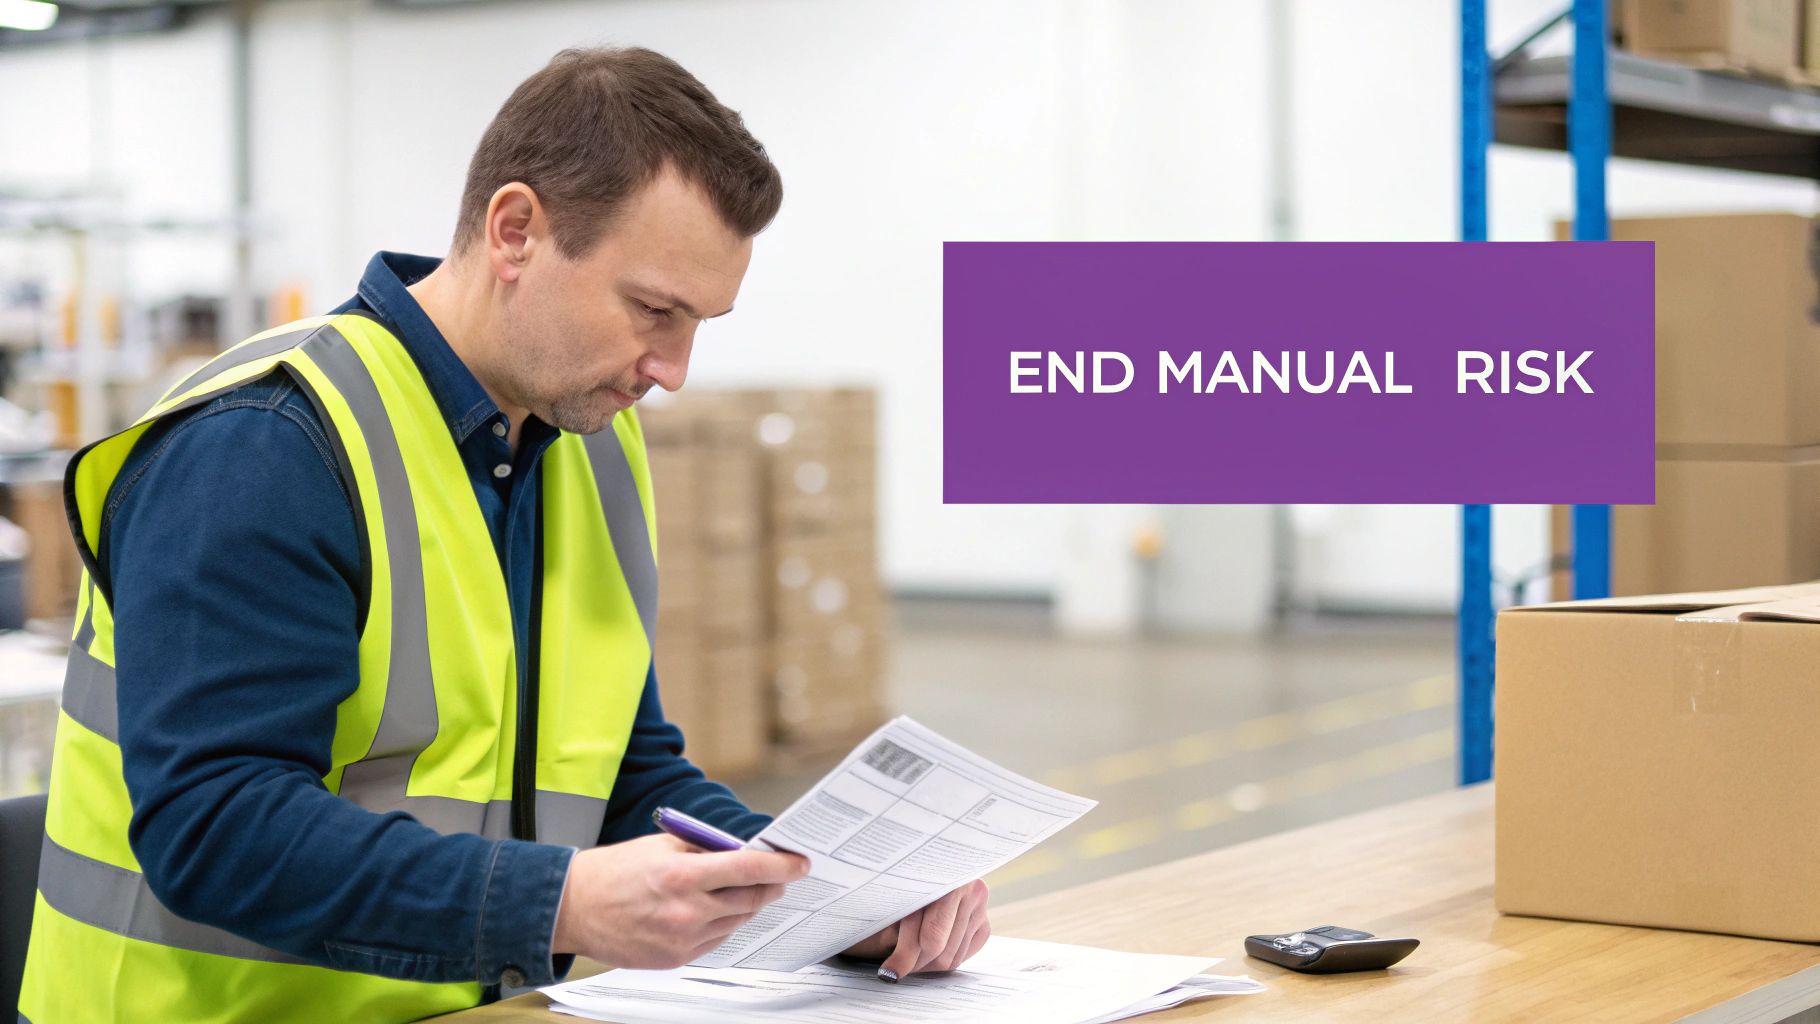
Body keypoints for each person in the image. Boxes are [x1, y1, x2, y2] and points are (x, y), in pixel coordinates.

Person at [17, 46, 988, 1023]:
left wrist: (830, 893)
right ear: (515, 231)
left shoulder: (589, 449)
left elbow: (626, 775)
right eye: (654, 309)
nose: (673, 368)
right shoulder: (265, 446)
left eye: (700, 322)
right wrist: (561, 903)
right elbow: (217, 827)